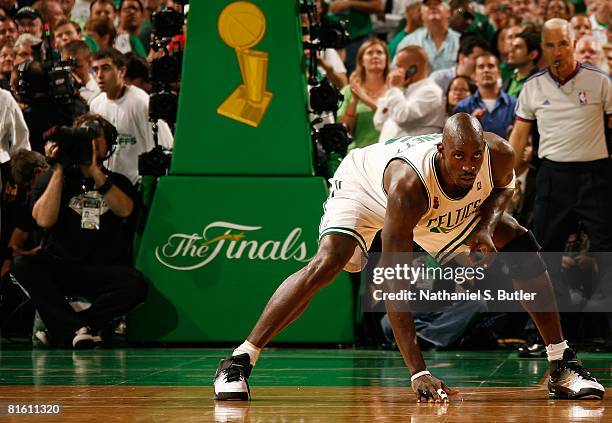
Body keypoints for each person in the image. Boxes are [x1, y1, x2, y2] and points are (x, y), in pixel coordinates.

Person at [213, 113, 605, 402]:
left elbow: (504, 188)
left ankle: (561, 363)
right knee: (330, 261)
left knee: (519, 241)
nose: (469, 166)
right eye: (459, 157)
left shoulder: (498, 154)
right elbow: (394, 282)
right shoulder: (407, 187)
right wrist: (418, 371)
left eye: (475, 156)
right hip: (367, 187)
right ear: (442, 151)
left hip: (438, 207)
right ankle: (239, 361)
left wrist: (485, 228)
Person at [10, 113, 148, 349]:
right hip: (61, 265)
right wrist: (60, 170)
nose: (89, 142)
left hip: (103, 267)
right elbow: (43, 220)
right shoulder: (50, 179)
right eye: (83, 136)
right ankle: (79, 326)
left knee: (136, 285)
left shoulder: (119, 182)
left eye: (95, 137)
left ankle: (70, 326)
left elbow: (125, 210)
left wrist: (94, 171)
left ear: (108, 143)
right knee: (23, 265)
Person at [509, 18, 612, 318]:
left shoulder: (600, 81)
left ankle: (606, 328)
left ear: (574, 44)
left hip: (597, 177)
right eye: (551, 45)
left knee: (607, 251)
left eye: (563, 43)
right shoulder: (532, 87)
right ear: (542, 48)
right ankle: (547, 329)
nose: (558, 51)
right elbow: (518, 137)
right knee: (544, 252)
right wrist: (507, 179)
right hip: (552, 177)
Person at [90, 48, 173, 185]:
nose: (99, 75)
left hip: (138, 186)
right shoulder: (95, 105)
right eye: (95, 69)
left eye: (105, 68)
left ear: (122, 71)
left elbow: (165, 146)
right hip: (110, 186)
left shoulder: (142, 103)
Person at [374, 45, 445, 141]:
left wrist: (394, 89)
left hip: (412, 153)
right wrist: (392, 90)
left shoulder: (431, 91)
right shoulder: (402, 90)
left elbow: (402, 118)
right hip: (389, 151)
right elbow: (379, 122)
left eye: (399, 66)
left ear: (413, 68)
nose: (396, 71)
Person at [338, 38, 389, 151]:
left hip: (390, 151)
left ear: (386, 59)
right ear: (361, 61)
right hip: (360, 153)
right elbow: (344, 132)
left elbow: (395, 120)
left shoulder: (395, 90)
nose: (375, 56)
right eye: (369, 53)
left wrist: (366, 99)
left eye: (380, 52)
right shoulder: (348, 91)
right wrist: (354, 101)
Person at [455, 52, 517, 138]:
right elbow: (456, 140)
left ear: (499, 74)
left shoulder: (514, 103)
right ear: (474, 76)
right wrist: (470, 125)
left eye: (491, 66)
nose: (486, 70)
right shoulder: (463, 107)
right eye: (481, 67)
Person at [394, 0, 461, 72]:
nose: (432, 7)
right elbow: (395, 70)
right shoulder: (408, 42)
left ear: (448, 12)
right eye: (428, 5)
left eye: (437, 4)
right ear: (421, 14)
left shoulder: (460, 41)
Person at [502, 29, 541, 97]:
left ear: (532, 54)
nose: (511, 50)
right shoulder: (509, 81)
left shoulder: (540, 82)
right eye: (511, 46)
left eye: (517, 47)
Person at [61, 39, 101, 104]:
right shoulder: (59, 92)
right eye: (66, 67)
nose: (71, 72)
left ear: (90, 63)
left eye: (77, 67)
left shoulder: (100, 91)